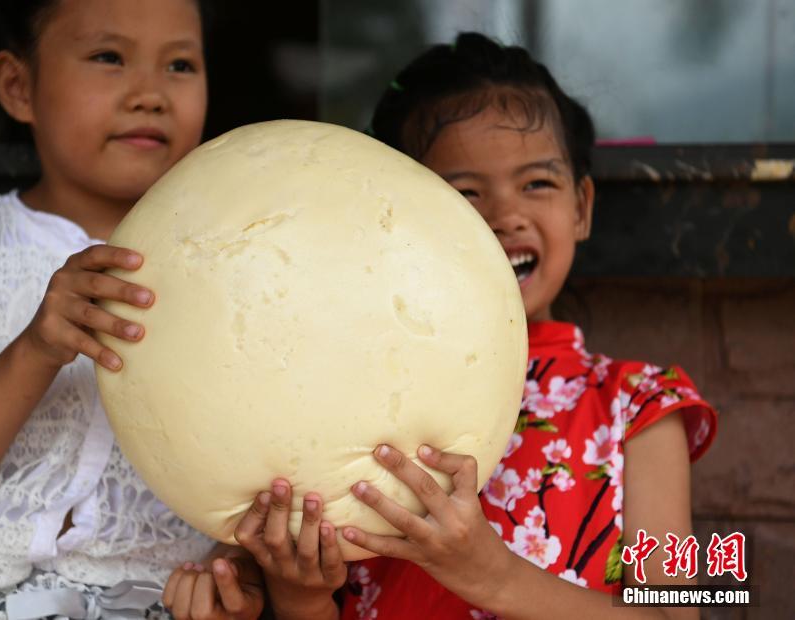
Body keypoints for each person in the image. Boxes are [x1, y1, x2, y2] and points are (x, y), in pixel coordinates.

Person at [233, 32, 718, 619]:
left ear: (582, 207)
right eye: (462, 194)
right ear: (394, 220)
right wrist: (300, 595)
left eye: (537, 183)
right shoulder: (340, 399)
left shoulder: (642, 409)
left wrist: (492, 576)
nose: (505, 215)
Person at [0, 1, 262, 618]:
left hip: (160, 601)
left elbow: (261, 476)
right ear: (18, 86)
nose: (151, 94)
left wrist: (238, 570)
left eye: (180, 64)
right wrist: (36, 350)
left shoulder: (239, 262)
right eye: (109, 57)